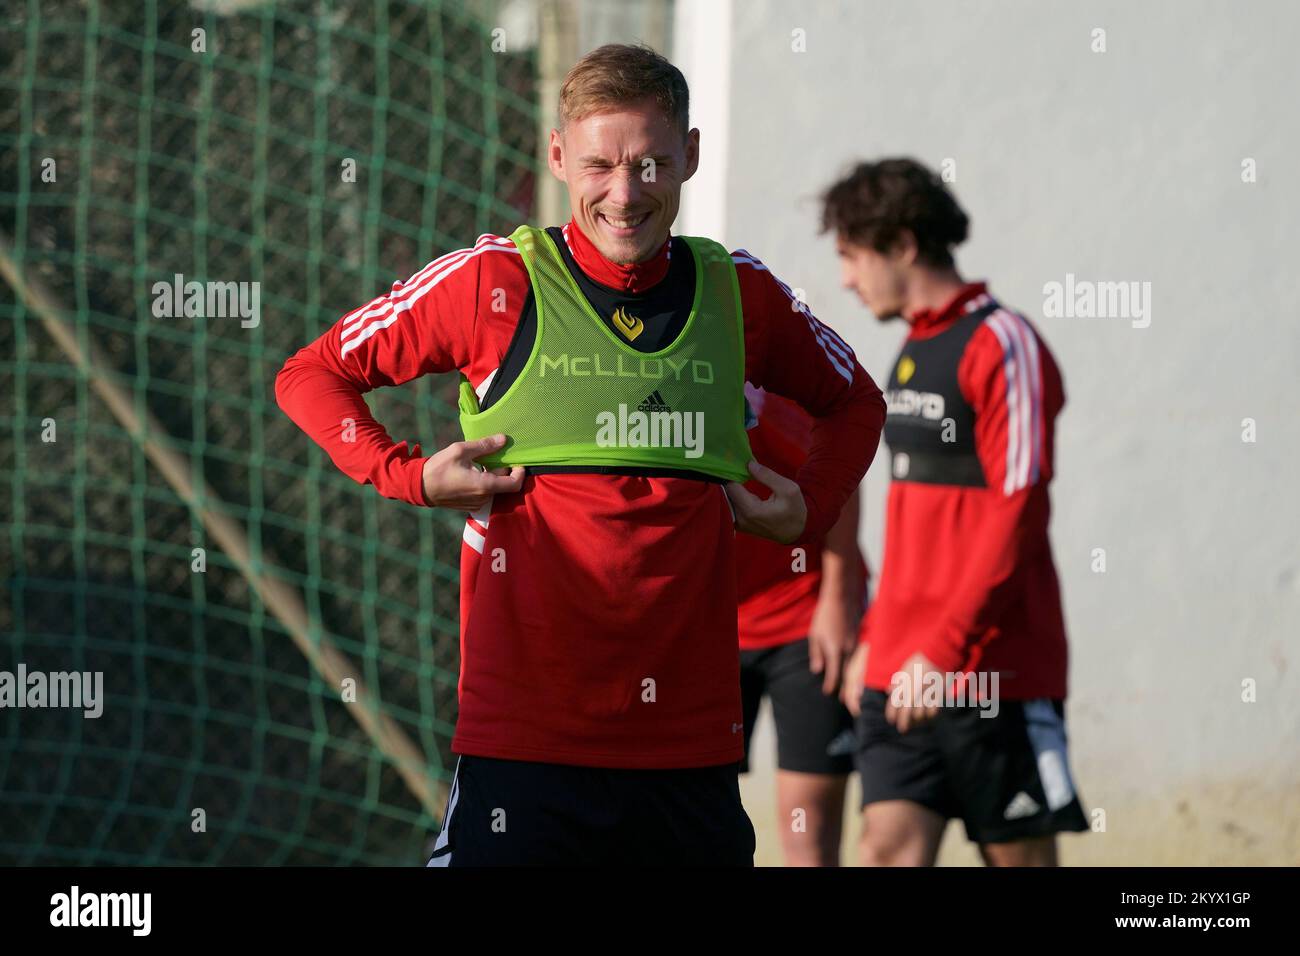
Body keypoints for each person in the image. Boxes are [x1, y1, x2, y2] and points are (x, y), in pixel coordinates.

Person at [275, 43, 886, 866]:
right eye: (599, 164)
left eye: (650, 164)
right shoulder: (494, 282)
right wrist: (409, 474)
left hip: (688, 755)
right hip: (525, 749)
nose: (624, 193)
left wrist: (810, 504)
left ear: (691, 157)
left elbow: (856, 401)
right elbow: (312, 373)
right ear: (559, 157)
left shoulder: (739, 293)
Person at [825, 158, 1088, 866]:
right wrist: (879, 640)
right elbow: (914, 525)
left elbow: (1020, 511)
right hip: (897, 669)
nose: (846, 278)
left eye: (853, 255)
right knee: (884, 852)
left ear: (904, 245)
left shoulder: (1005, 344)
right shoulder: (911, 350)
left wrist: (942, 654)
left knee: (1021, 861)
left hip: (990, 670)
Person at [735, 384, 868, 866]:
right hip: (702, 627)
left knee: (807, 832)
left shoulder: (764, 389)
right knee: (690, 821)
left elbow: (838, 475)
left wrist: (838, 599)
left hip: (802, 618)